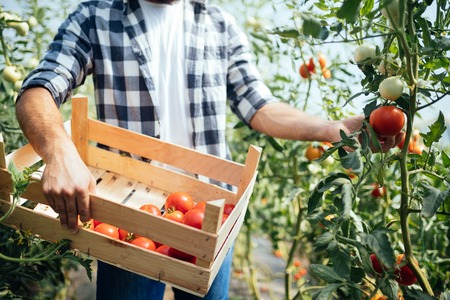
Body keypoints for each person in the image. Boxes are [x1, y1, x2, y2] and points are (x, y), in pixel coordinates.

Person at [15, 0, 404, 299]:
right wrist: (59, 152)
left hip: (210, 219)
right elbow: (38, 90)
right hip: (130, 217)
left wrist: (330, 128)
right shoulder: (95, 16)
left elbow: (259, 106)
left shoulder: (218, 23)